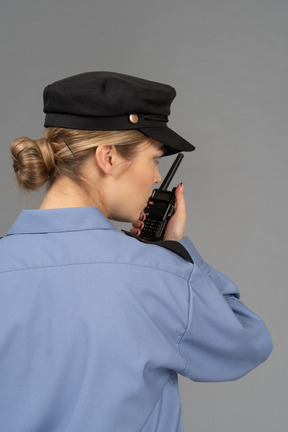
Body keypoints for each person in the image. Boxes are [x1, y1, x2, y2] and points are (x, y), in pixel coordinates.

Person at [0, 72, 272, 432]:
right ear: (108, 158)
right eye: (154, 159)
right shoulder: (158, 275)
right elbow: (248, 342)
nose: (157, 177)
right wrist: (177, 254)